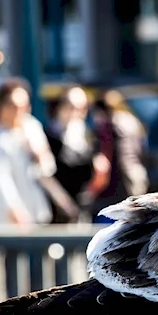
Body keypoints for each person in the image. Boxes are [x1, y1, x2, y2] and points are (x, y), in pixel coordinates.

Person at [0, 79, 53, 226]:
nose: (19, 112)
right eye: (13, 106)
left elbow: (48, 167)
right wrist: (14, 208)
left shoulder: (32, 127)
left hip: (38, 207)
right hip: (12, 217)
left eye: (24, 106)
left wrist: (40, 155)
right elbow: (2, 178)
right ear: (1, 106)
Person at [46, 86, 109, 223]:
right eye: (71, 107)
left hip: (83, 204)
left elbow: (99, 170)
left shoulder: (88, 135)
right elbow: (46, 175)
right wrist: (65, 204)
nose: (76, 113)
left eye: (82, 108)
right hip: (56, 207)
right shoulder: (49, 136)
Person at [91, 89, 149, 221]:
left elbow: (109, 155)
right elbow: (141, 152)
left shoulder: (108, 125)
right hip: (136, 177)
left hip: (116, 183)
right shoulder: (133, 122)